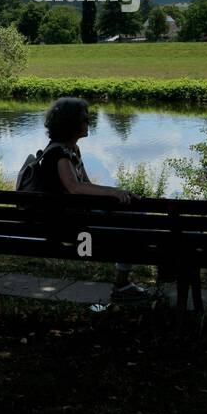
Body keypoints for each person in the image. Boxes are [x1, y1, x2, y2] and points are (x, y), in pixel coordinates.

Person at [34, 97, 154, 303]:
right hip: (69, 229)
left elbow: (87, 186)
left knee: (136, 216)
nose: (88, 122)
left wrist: (119, 194)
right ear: (71, 124)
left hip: (78, 220)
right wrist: (112, 192)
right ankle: (122, 285)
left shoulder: (71, 150)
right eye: (84, 119)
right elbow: (74, 187)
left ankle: (126, 283)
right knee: (132, 228)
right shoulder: (59, 154)